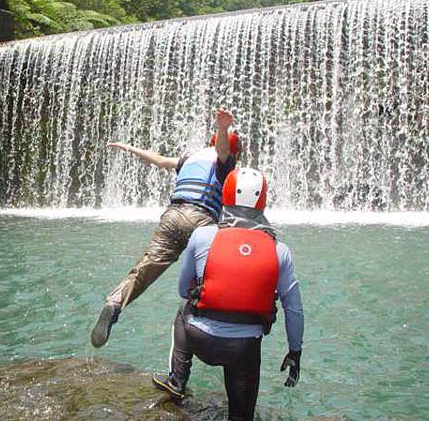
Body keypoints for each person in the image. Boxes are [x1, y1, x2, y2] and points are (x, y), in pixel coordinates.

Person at [152, 168, 304, 421]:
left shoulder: (202, 236)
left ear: (225, 197)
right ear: (263, 201)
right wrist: (294, 352)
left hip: (198, 339)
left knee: (184, 306)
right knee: (242, 417)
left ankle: (177, 380)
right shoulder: (280, 250)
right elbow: (294, 309)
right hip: (244, 350)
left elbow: (182, 289)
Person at [91, 109, 242, 348]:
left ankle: (115, 302)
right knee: (217, 272)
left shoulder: (189, 159)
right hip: (201, 220)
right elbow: (223, 152)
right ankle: (214, 327)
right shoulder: (224, 161)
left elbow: (159, 160)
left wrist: (128, 148)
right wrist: (223, 127)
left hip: (172, 216)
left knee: (145, 268)